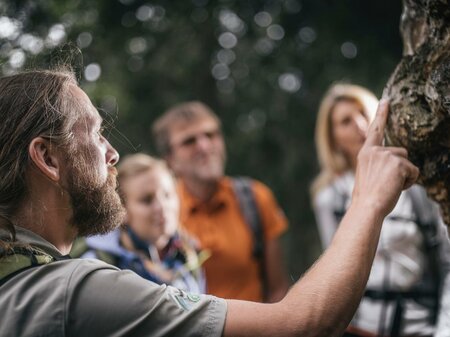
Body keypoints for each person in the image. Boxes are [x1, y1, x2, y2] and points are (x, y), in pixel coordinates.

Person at [0, 69, 420, 336]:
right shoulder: (77, 290)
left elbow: (276, 289)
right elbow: (304, 322)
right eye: (93, 134)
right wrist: (367, 198)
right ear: (48, 158)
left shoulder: (253, 199)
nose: (112, 154)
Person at [311, 83, 450, 337]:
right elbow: (335, 272)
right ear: (333, 140)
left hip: (423, 325)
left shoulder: (416, 183)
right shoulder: (329, 199)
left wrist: (445, 328)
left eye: (363, 113)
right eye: (345, 121)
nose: (359, 125)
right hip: (362, 327)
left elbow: (446, 259)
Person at [152, 101, 290, 302]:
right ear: (170, 161)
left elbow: (278, 290)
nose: (204, 146)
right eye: (189, 141)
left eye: (211, 135)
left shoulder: (255, 198)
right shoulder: (161, 212)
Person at [75, 153, 207, 293]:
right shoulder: (96, 265)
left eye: (167, 195)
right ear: (122, 210)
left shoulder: (188, 256)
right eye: (147, 200)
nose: (161, 207)